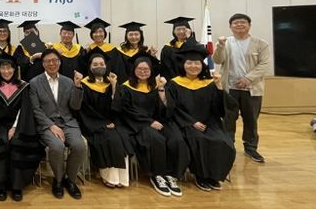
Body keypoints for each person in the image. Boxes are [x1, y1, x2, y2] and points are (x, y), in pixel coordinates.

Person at [113, 52, 189, 197]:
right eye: (140, 69)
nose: (143, 72)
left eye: (146, 69)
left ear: (151, 71)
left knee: (176, 139)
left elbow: (167, 108)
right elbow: (127, 111)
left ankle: (171, 175)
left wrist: (161, 90)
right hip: (138, 125)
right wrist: (149, 122)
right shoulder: (126, 87)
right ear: (134, 70)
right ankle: (157, 175)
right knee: (156, 139)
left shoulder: (158, 85)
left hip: (161, 121)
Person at [166, 41, 235, 191]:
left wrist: (219, 88)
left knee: (223, 141)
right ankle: (201, 176)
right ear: (183, 65)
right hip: (186, 124)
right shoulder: (174, 84)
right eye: (189, 63)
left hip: (209, 122)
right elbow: (173, 108)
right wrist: (191, 122)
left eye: (197, 63)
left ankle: (214, 176)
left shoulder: (209, 83)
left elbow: (219, 108)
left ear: (202, 65)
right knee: (198, 139)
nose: (193, 66)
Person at [212, 13, 270, 163]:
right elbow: (217, 60)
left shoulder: (261, 44)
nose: (239, 25)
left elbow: (264, 65)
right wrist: (220, 46)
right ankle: (228, 146)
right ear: (230, 26)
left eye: (243, 22)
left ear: (249, 25)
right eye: (235, 23)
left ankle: (251, 147)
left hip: (252, 89)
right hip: (229, 88)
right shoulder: (225, 43)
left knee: (251, 120)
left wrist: (248, 78)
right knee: (228, 119)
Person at [29, 48, 86, 199]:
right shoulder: (35, 83)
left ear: (60, 62)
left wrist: (78, 86)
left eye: (55, 60)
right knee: (57, 146)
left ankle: (70, 180)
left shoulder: (68, 82)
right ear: (43, 64)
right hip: (47, 124)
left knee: (80, 146)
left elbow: (75, 107)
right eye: (48, 61)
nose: (51, 64)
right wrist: (51, 125)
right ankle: (58, 180)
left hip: (68, 122)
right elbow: (36, 109)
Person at [0, 54, 43, 201]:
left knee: (17, 143)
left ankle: (17, 186)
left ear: (14, 69)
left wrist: (14, 128)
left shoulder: (22, 86)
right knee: (0, 143)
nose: (6, 71)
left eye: (9, 68)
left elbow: (24, 110)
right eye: (3, 68)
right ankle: (1, 185)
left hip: (19, 124)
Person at [77, 49, 132, 189]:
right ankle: (109, 177)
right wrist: (103, 123)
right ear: (90, 67)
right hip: (95, 125)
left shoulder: (111, 83)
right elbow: (85, 110)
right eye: (95, 64)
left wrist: (114, 86)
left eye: (102, 64)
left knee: (122, 135)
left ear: (106, 66)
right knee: (110, 138)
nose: (99, 66)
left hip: (113, 122)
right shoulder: (84, 84)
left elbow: (118, 106)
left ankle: (122, 179)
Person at [159, 16, 195, 81]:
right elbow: (165, 69)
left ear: (189, 30)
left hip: (193, 82)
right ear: (174, 32)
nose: (181, 31)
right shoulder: (167, 48)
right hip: (173, 82)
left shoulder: (195, 46)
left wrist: (190, 38)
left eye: (184, 29)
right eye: (178, 29)